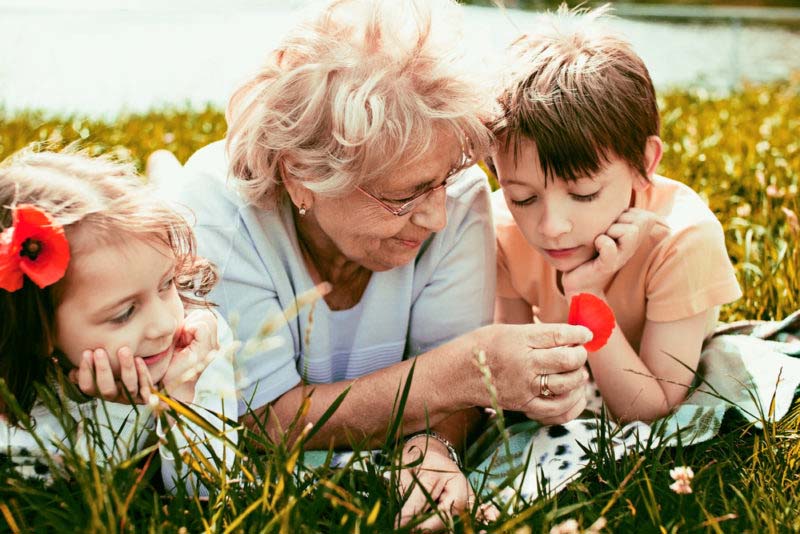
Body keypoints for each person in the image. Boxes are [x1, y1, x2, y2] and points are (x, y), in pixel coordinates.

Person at [147, 0, 593, 527]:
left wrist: (429, 448)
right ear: (301, 177)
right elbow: (255, 421)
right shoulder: (221, 218)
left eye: (444, 177)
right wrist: (468, 368)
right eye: (403, 196)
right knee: (166, 208)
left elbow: (461, 403)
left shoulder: (458, 199)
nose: (435, 217)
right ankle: (160, 176)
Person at [488, 6, 742, 424]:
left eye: (584, 193)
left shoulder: (682, 240)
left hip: (646, 378)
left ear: (644, 163)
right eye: (523, 198)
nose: (551, 228)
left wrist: (588, 295)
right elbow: (514, 391)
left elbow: (650, 408)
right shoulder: (500, 227)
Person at [0, 150, 237, 495]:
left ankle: (167, 172)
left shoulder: (194, 342)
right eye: (124, 313)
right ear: (38, 331)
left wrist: (183, 399)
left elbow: (208, 493)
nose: (163, 325)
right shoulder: (20, 416)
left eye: (166, 283)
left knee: (171, 193)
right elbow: (78, 496)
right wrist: (114, 411)